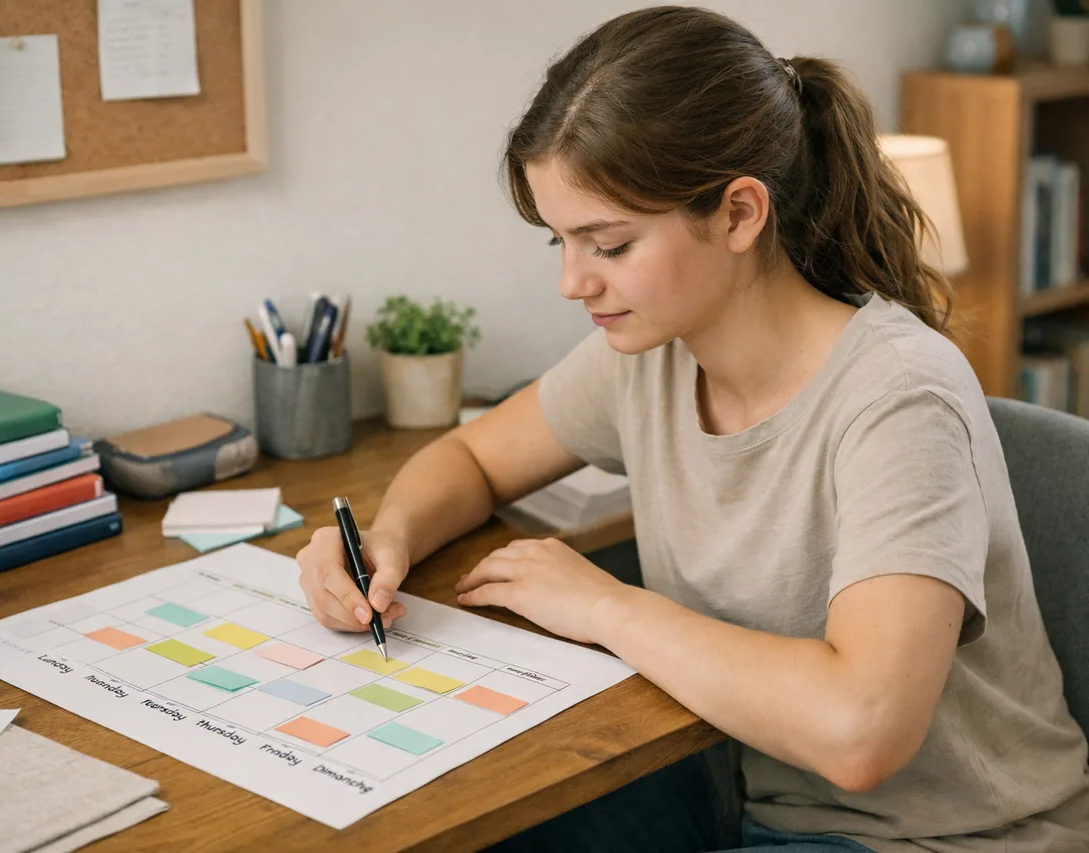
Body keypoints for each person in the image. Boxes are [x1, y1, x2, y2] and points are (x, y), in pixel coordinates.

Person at [295, 6, 1089, 851]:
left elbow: (862, 731)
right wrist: (388, 538)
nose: (573, 282)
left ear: (740, 213)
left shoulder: (897, 398)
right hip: (753, 796)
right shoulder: (651, 354)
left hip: (951, 838)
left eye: (608, 244)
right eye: (559, 242)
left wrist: (605, 605)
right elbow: (472, 457)